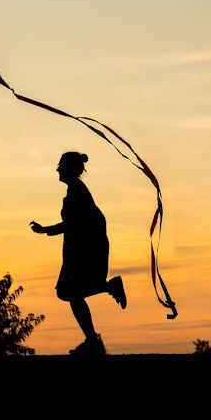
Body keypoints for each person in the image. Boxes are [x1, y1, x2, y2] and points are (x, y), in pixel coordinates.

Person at [30, 151, 126, 356]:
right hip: (83, 248)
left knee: (68, 292)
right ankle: (93, 336)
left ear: (69, 169)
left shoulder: (77, 192)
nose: (57, 169)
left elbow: (73, 223)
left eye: (60, 166)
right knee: (69, 292)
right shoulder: (76, 190)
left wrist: (45, 229)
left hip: (86, 250)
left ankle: (92, 338)